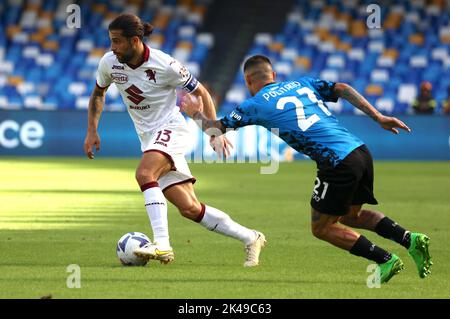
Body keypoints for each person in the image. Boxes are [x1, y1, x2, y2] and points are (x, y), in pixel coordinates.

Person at [182, 55, 433, 283]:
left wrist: (195, 114)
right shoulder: (303, 83)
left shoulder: (254, 105)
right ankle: (410, 239)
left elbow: (214, 129)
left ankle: (385, 259)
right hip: (360, 151)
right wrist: (378, 117)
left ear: (248, 80)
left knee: (321, 228)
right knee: (349, 216)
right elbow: (343, 88)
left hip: (336, 162)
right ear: (274, 75)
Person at [83, 14, 266, 267]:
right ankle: (251, 237)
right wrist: (92, 130)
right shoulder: (109, 63)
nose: (112, 47)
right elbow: (98, 94)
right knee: (190, 208)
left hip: (172, 129)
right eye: (111, 41)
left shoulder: (165, 65)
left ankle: (162, 245)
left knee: (145, 174)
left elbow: (201, 92)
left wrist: (213, 131)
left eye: (117, 42)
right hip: (149, 139)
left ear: (135, 40)